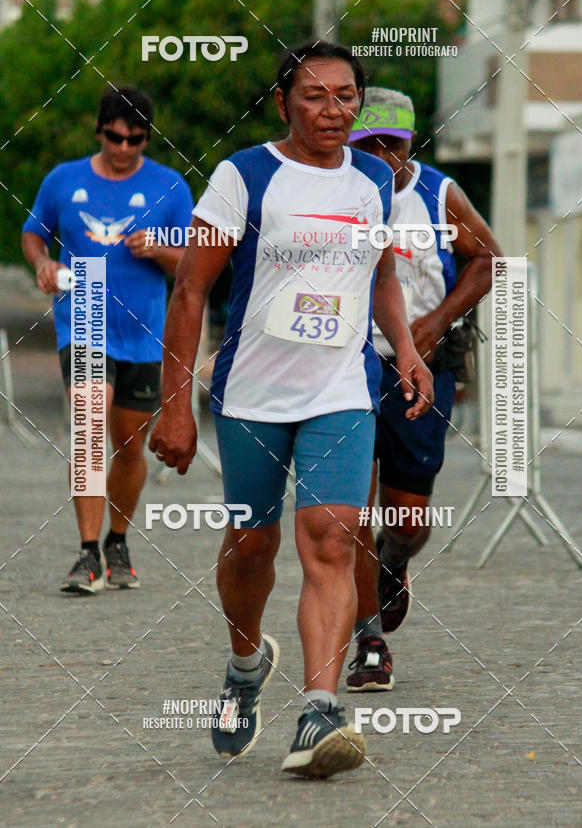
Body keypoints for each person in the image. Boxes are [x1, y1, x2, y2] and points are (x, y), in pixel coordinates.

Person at [149, 42, 434, 778]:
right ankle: (246, 667)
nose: (333, 110)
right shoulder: (244, 177)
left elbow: (381, 277)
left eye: (346, 97)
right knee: (251, 546)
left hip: (341, 388)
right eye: (315, 96)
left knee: (333, 538)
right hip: (251, 392)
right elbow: (189, 292)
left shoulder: (374, 178)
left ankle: (320, 710)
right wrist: (174, 407)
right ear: (283, 103)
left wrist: (403, 345)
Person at [344, 87, 502, 692]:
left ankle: (395, 560)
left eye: (393, 144)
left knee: (408, 522)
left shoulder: (436, 194)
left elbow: (489, 258)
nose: (381, 154)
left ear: (412, 142)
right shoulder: (338, 192)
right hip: (348, 368)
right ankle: (371, 642)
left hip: (422, 372)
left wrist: (436, 322)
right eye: (369, 143)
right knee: (348, 511)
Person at [22, 86, 193, 594]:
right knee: (88, 427)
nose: (123, 148)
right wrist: (43, 263)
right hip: (86, 314)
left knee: (128, 446)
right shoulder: (63, 179)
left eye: (135, 140)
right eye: (115, 137)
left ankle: (118, 540)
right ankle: (87, 553)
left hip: (142, 329)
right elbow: (34, 232)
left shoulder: (170, 186)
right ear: (99, 131)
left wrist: (161, 249)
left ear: (146, 138)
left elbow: (191, 264)